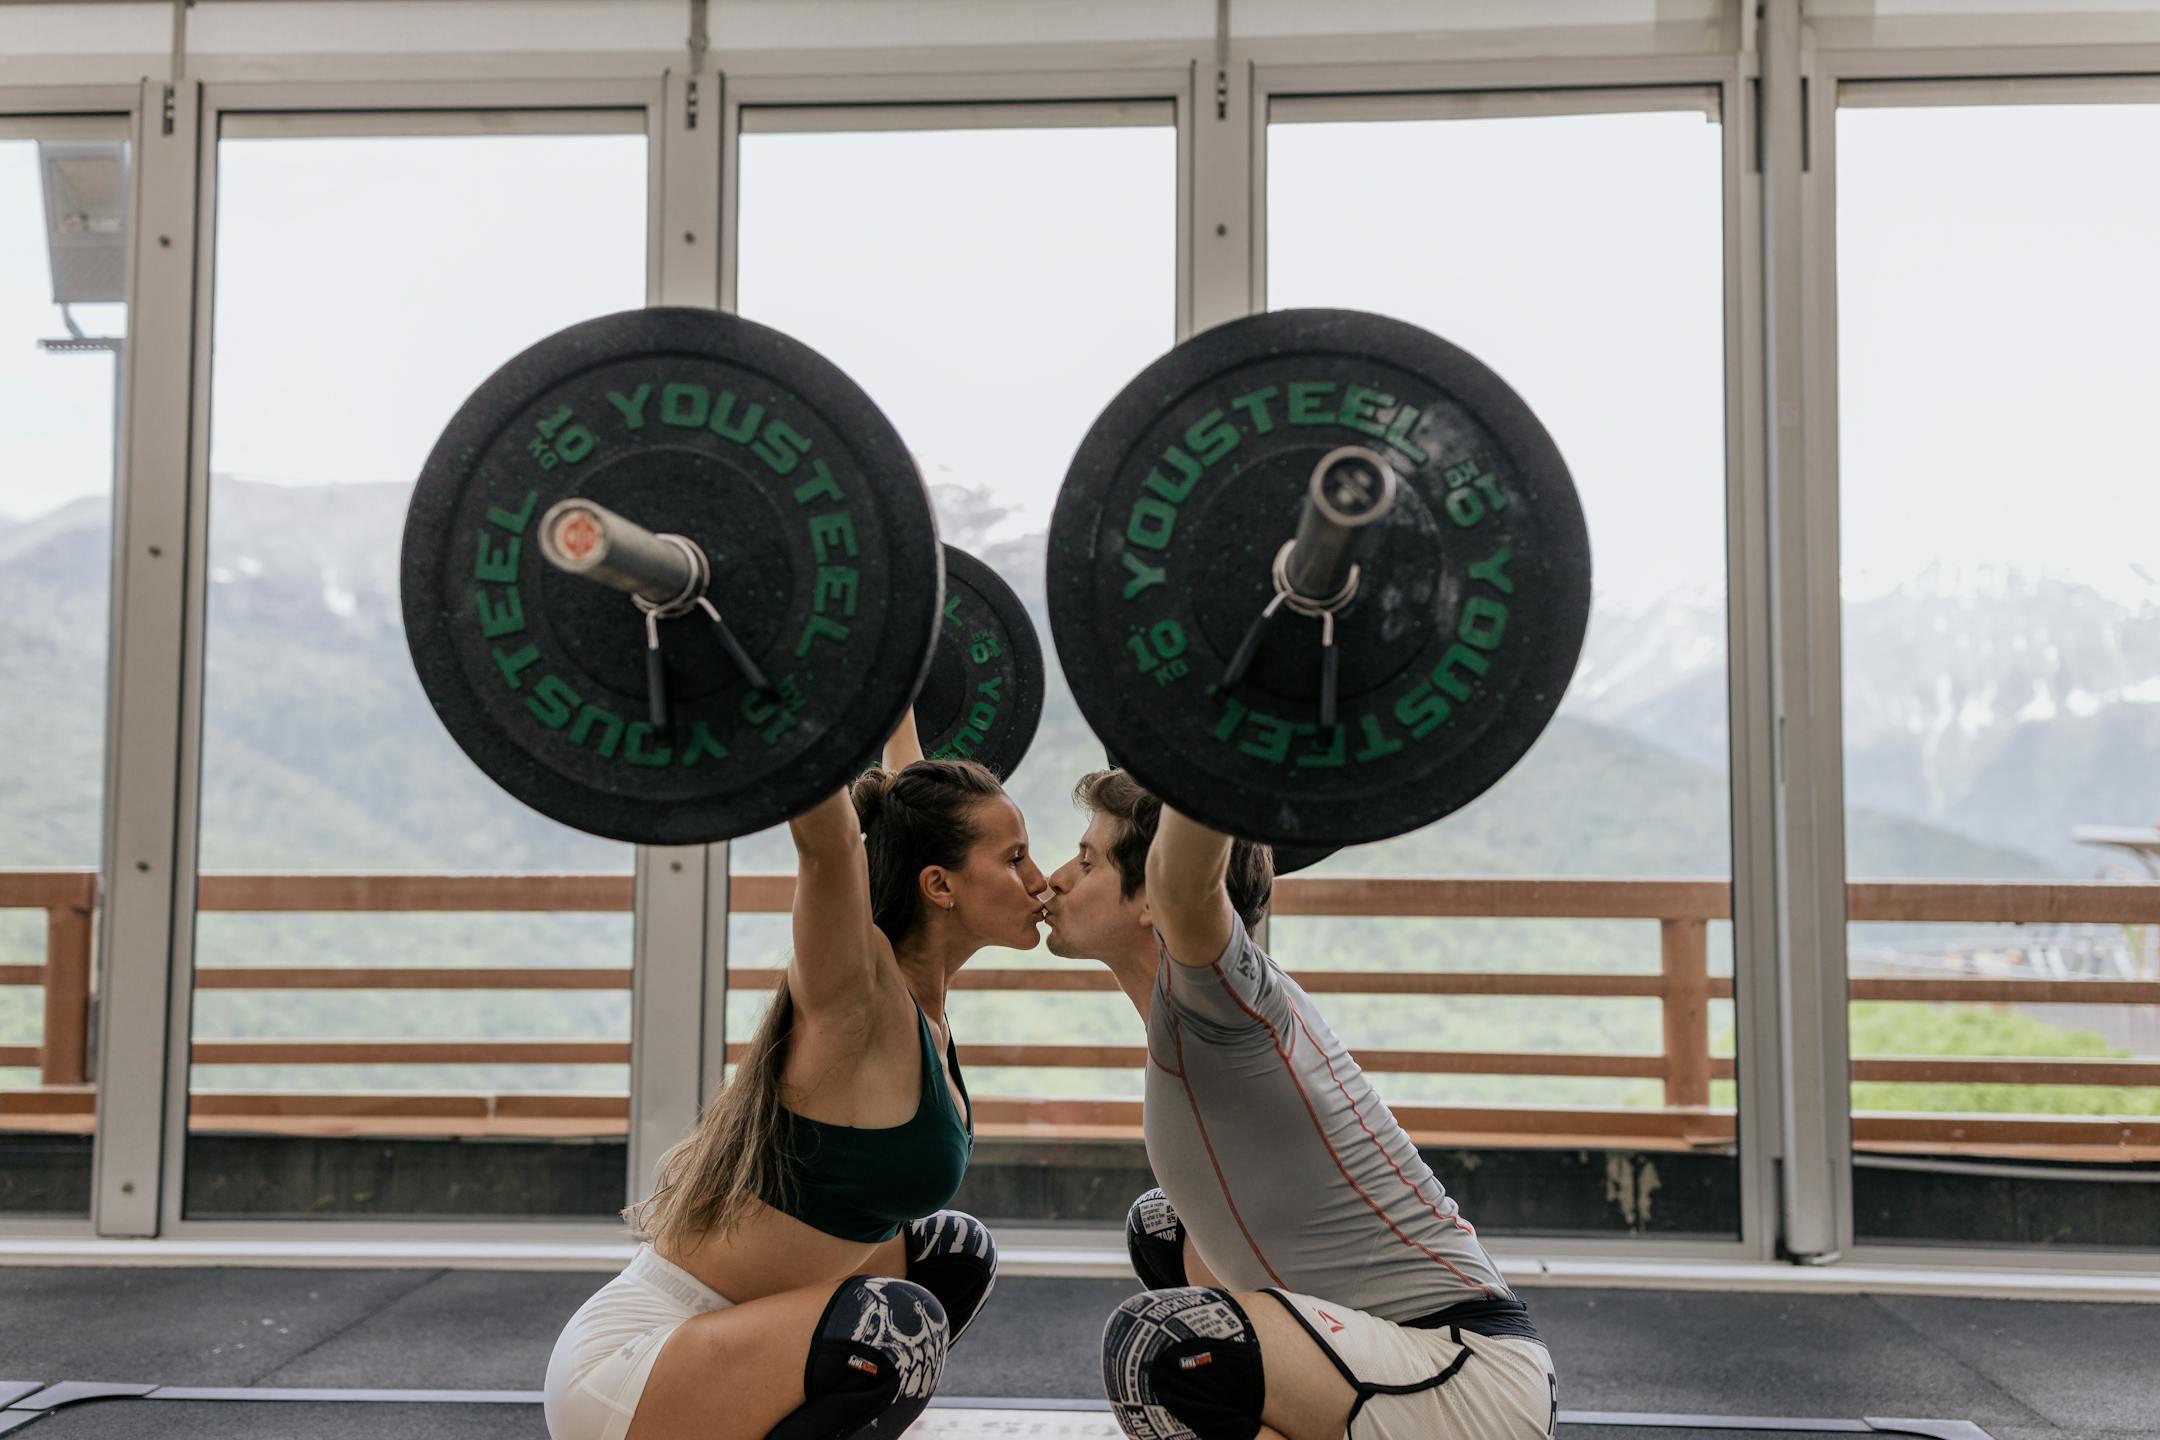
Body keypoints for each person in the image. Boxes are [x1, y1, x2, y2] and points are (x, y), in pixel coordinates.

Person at [544, 714, 1049, 1440]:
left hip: (750, 1346)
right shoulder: (857, 1001)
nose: (1039, 879)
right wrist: (804, 691)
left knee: (956, 1254)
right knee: (896, 1328)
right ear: (939, 885)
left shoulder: (924, 1008)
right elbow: (830, 843)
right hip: (636, 1370)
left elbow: (904, 797)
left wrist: (893, 694)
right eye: (1016, 858)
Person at [1042, 769, 1559, 1440]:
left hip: (1465, 1375)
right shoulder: (1198, 1008)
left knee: (1164, 1342)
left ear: (1153, 901)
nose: (1054, 878)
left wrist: (1218, 732)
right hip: (1395, 1360)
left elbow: (1183, 878)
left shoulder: (1227, 1004)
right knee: (1165, 1228)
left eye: (1085, 861)